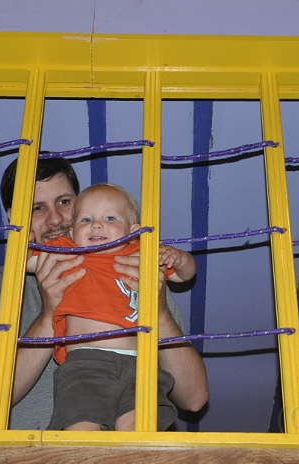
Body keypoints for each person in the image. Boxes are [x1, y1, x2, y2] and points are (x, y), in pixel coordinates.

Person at [0, 157, 208, 430]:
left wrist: (158, 312)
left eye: (64, 202)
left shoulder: (137, 272)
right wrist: (49, 314)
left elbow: (194, 398)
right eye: (37, 208)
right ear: (14, 217)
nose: (55, 218)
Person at [42, 183, 197, 431]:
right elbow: (28, 261)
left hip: (140, 362)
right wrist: (25, 243)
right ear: (71, 232)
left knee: (137, 429)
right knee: (80, 428)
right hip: (85, 362)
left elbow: (183, 275)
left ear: (133, 231)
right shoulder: (67, 251)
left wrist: (178, 258)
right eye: (86, 220)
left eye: (110, 218)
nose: (96, 225)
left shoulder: (141, 254)